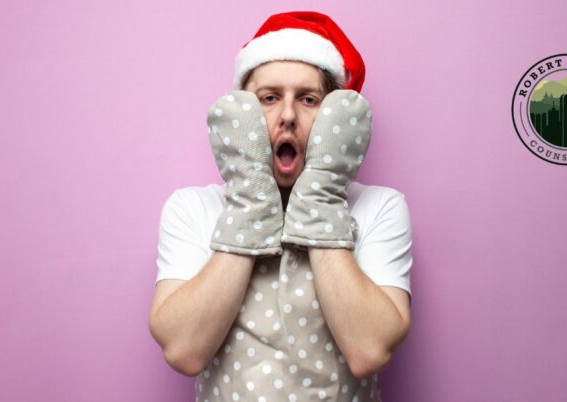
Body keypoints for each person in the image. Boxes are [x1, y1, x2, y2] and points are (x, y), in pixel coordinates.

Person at [149, 11, 413, 402]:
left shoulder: (380, 207)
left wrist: (320, 196)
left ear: (334, 116)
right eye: (269, 98)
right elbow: (185, 351)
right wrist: (251, 202)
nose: (287, 116)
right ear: (243, 114)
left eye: (309, 100)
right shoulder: (193, 207)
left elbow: (368, 351)